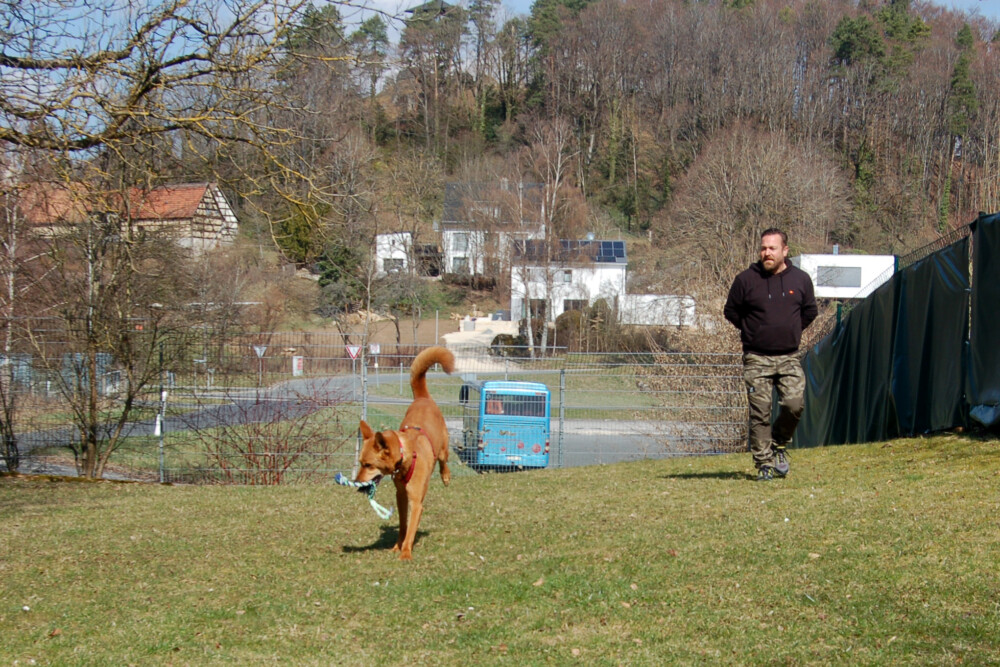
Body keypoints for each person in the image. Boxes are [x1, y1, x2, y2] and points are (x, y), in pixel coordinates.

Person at [724, 228, 817, 481]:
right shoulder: (745, 280)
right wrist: (752, 331)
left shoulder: (800, 279)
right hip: (756, 358)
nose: (767, 253)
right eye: (763, 248)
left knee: (794, 405)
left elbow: (810, 311)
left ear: (785, 251)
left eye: (772, 248)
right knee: (760, 412)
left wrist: (791, 330)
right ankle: (764, 463)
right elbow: (731, 311)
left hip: (789, 357)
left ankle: (779, 442)